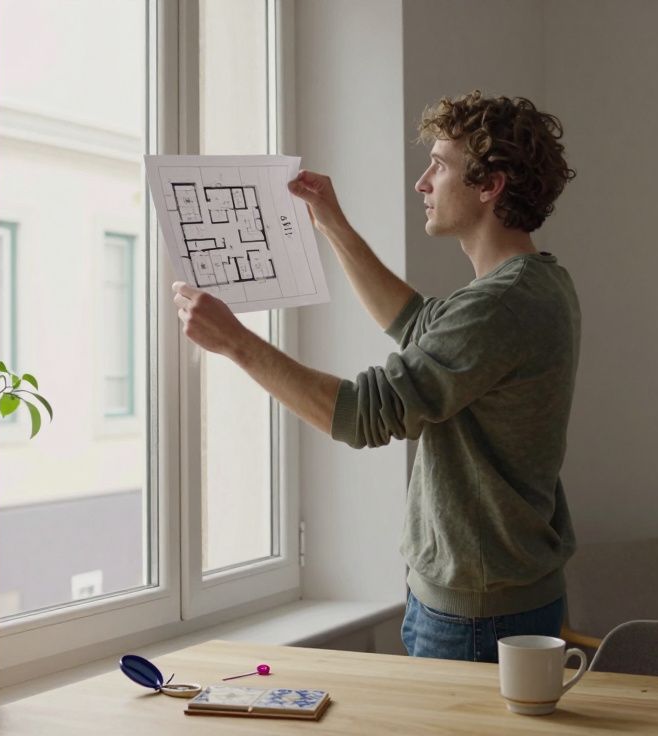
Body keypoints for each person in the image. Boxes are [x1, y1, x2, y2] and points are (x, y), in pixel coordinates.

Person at [170, 91, 579, 663]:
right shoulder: (534, 284)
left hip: (479, 615)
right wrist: (332, 224)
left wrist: (235, 342)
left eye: (439, 165)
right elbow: (416, 323)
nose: (422, 183)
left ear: (490, 186)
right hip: (490, 599)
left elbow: (364, 414)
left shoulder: (501, 304)